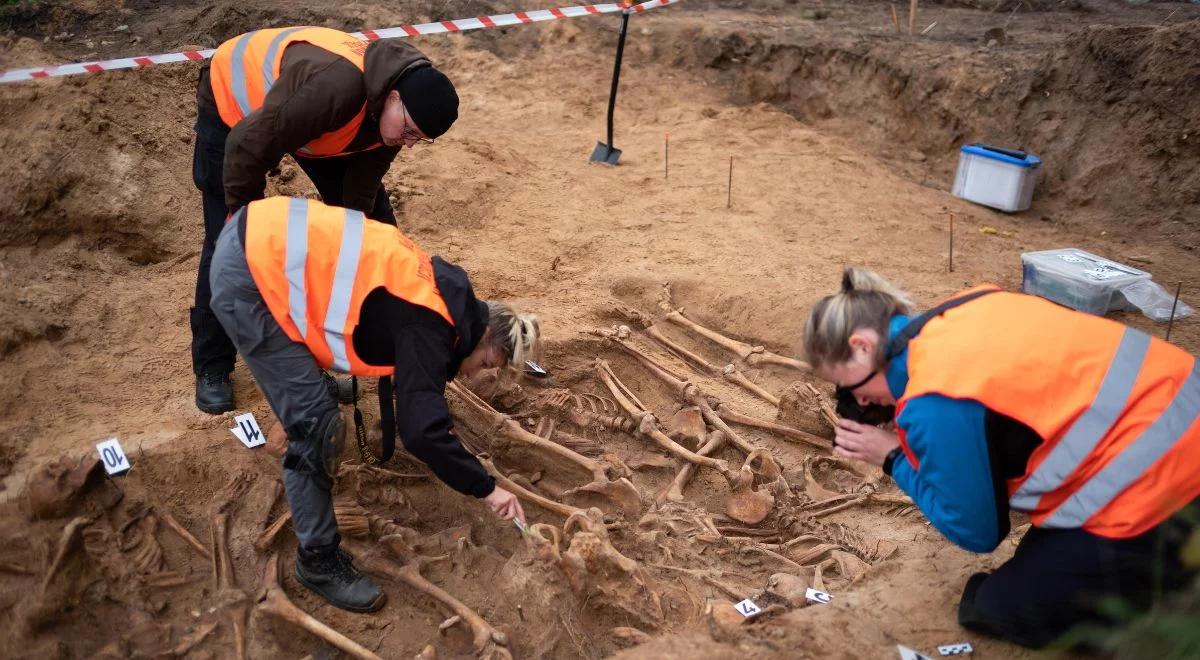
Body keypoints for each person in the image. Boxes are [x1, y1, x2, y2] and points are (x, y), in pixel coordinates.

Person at [802, 267, 1200, 648]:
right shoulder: (970, 303)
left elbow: (978, 533)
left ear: (862, 346)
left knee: (996, 606)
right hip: (1178, 412)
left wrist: (892, 456)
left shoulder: (933, 400)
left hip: (1170, 487)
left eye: (848, 386)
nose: (859, 402)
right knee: (1041, 551)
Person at [208, 195, 533, 612]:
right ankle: (318, 560)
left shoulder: (441, 294)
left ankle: (311, 403)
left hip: (262, 233)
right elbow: (422, 431)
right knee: (318, 425)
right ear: (484, 333)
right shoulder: (430, 324)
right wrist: (487, 489)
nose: (475, 373)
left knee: (315, 399)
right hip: (252, 278)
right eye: (487, 363)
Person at [192, 25, 460, 413]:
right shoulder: (335, 90)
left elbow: (363, 185)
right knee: (229, 247)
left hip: (307, 124)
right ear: (394, 98)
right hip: (235, 109)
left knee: (378, 235)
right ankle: (212, 365)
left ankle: (373, 341)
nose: (410, 143)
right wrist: (245, 225)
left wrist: (355, 242)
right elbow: (247, 146)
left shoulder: (394, 115)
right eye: (409, 132)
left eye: (419, 139)